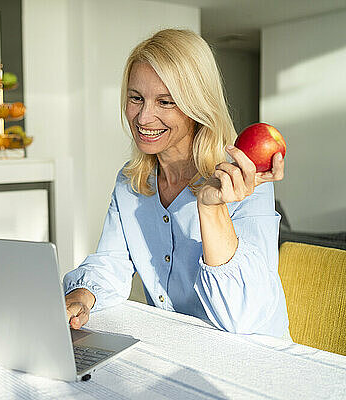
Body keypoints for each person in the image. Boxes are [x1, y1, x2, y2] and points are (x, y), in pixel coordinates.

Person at [63, 29, 289, 338]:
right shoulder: (131, 181)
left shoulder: (243, 179)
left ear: (197, 106)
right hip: (179, 347)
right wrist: (81, 296)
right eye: (136, 98)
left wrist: (211, 210)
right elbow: (110, 263)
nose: (144, 117)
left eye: (166, 102)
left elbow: (244, 318)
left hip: (253, 359)